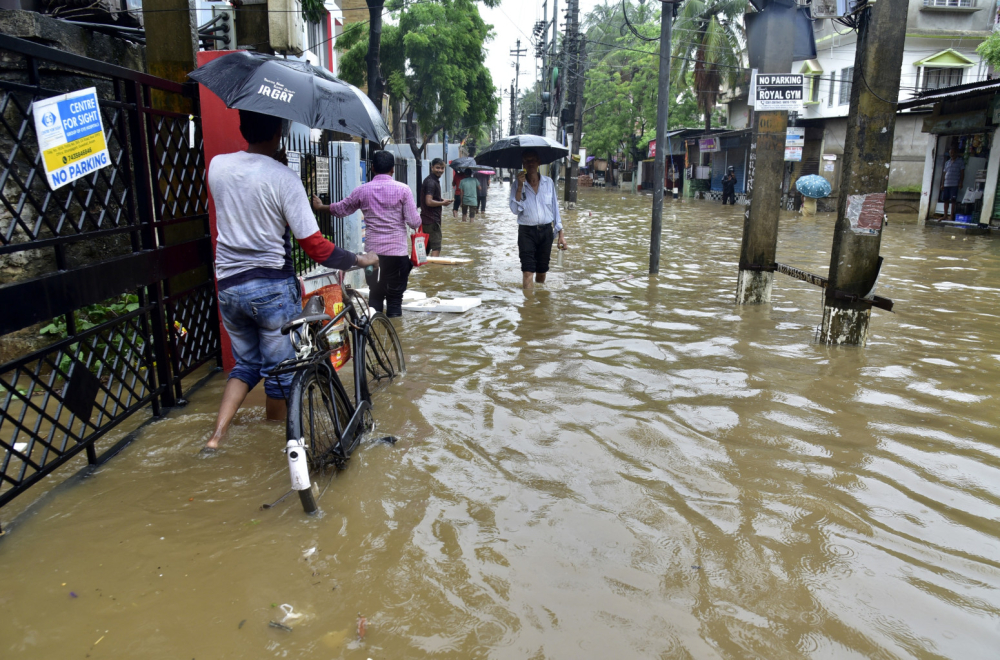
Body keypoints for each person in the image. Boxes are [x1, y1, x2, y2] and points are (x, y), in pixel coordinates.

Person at [205, 110, 377, 451]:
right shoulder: (284, 178)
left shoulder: (217, 167)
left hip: (228, 285)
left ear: (242, 127)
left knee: (246, 365)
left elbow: (245, 200)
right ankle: (275, 440)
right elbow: (314, 246)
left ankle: (216, 437)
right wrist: (358, 259)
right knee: (281, 373)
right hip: (270, 288)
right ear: (281, 131)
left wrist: (273, 162)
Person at [312, 150, 421, 317]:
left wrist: (320, 207)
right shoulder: (404, 190)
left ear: (372, 168)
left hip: (371, 257)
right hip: (397, 256)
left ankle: (373, 335)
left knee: (375, 296)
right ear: (393, 169)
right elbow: (414, 222)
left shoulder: (362, 191)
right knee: (395, 301)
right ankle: (395, 335)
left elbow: (341, 209)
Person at [510, 149, 567, 290]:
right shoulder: (517, 184)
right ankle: (529, 308)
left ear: (539, 162)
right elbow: (514, 210)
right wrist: (520, 188)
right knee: (528, 271)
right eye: (526, 161)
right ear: (522, 163)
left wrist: (561, 234)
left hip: (546, 232)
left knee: (542, 272)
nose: (529, 163)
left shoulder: (548, 183)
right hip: (526, 232)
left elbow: (555, 208)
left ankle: (540, 305)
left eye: (532, 160)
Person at [420, 158, 452, 257]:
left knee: (427, 248)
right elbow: (429, 202)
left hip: (426, 219)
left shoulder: (432, 180)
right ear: (432, 167)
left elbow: (432, 198)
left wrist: (441, 200)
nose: (440, 170)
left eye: (442, 168)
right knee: (436, 247)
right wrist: (442, 203)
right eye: (437, 167)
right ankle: (433, 270)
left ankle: (425, 269)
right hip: (432, 220)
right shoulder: (431, 182)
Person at [941, 147, 965, 221]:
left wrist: (961, 182)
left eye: (953, 152)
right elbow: (944, 174)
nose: (952, 154)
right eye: (951, 153)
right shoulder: (947, 162)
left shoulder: (960, 161)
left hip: (954, 184)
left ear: (956, 153)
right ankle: (945, 215)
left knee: (953, 200)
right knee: (946, 200)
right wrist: (942, 184)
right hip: (946, 184)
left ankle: (951, 216)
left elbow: (962, 173)